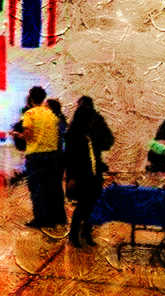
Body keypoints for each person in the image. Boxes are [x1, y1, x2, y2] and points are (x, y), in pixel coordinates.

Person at [12, 86, 67, 229]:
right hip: (53, 155)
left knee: (37, 188)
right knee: (53, 187)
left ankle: (41, 219)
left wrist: (17, 135)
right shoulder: (51, 114)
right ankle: (58, 218)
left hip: (36, 155)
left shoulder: (30, 113)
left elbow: (28, 134)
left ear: (31, 98)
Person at [64, 97, 113, 248]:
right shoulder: (75, 132)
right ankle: (76, 234)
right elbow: (70, 156)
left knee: (90, 204)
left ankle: (84, 233)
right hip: (81, 173)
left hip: (91, 172)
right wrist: (71, 177)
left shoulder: (91, 127)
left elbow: (108, 141)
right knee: (85, 204)